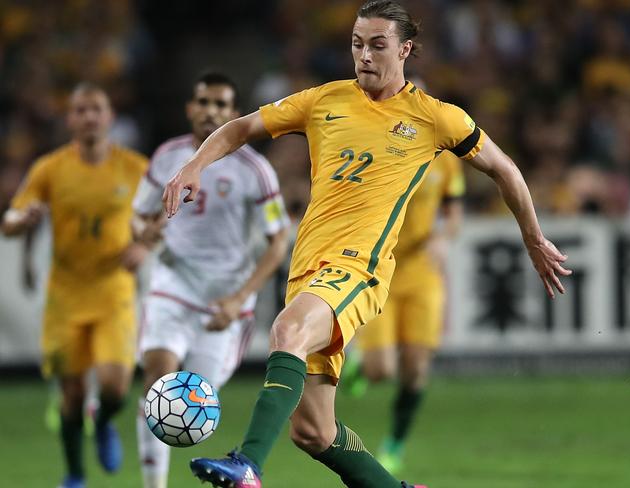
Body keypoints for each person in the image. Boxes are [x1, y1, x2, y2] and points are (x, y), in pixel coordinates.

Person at [162, 2, 571, 487]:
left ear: (405, 49)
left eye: (378, 45)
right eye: (357, 44)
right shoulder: (323, 100)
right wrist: (194, 166)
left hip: (359, 269)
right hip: (307, 270)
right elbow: (240, 127)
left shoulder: (435, 118)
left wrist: (532, 236)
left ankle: (247, 465)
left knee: (288, 331)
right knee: (313, 430)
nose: (365, 56)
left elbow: (504, 169)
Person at [132, 71, 290, 488]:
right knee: (159, 387)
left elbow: (278, 243)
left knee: (196, 401)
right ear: (190, 108)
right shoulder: (167, 156)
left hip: (225, 301)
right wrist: (141, 233)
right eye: (204, 102)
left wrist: (240, 298)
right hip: (173, 283)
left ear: (233, 114)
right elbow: (139, 215)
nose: (210, 112)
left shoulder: (255, 170)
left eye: (221, 106)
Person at [1, 83, 149, 488]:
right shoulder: (49, 168)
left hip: (114, 291)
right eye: (80, 110)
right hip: (66, 296)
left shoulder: (134, 167)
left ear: (109, 117)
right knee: (69, 396)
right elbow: (9, 221)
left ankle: (103, 422)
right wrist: (23, 220)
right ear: (70, 120)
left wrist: (143, 246)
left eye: (95, 109)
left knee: (115, 386)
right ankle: (75, 474)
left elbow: (160, 218)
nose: (88, 117)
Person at [342, 149, 465, 475]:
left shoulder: (446, 160)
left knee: (416, 367)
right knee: (381, 369)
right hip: (381, 268)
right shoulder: (382, 149)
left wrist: (442, 237)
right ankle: (359, 365)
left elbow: (453, 213)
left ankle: (394, 445)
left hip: (423, 272)